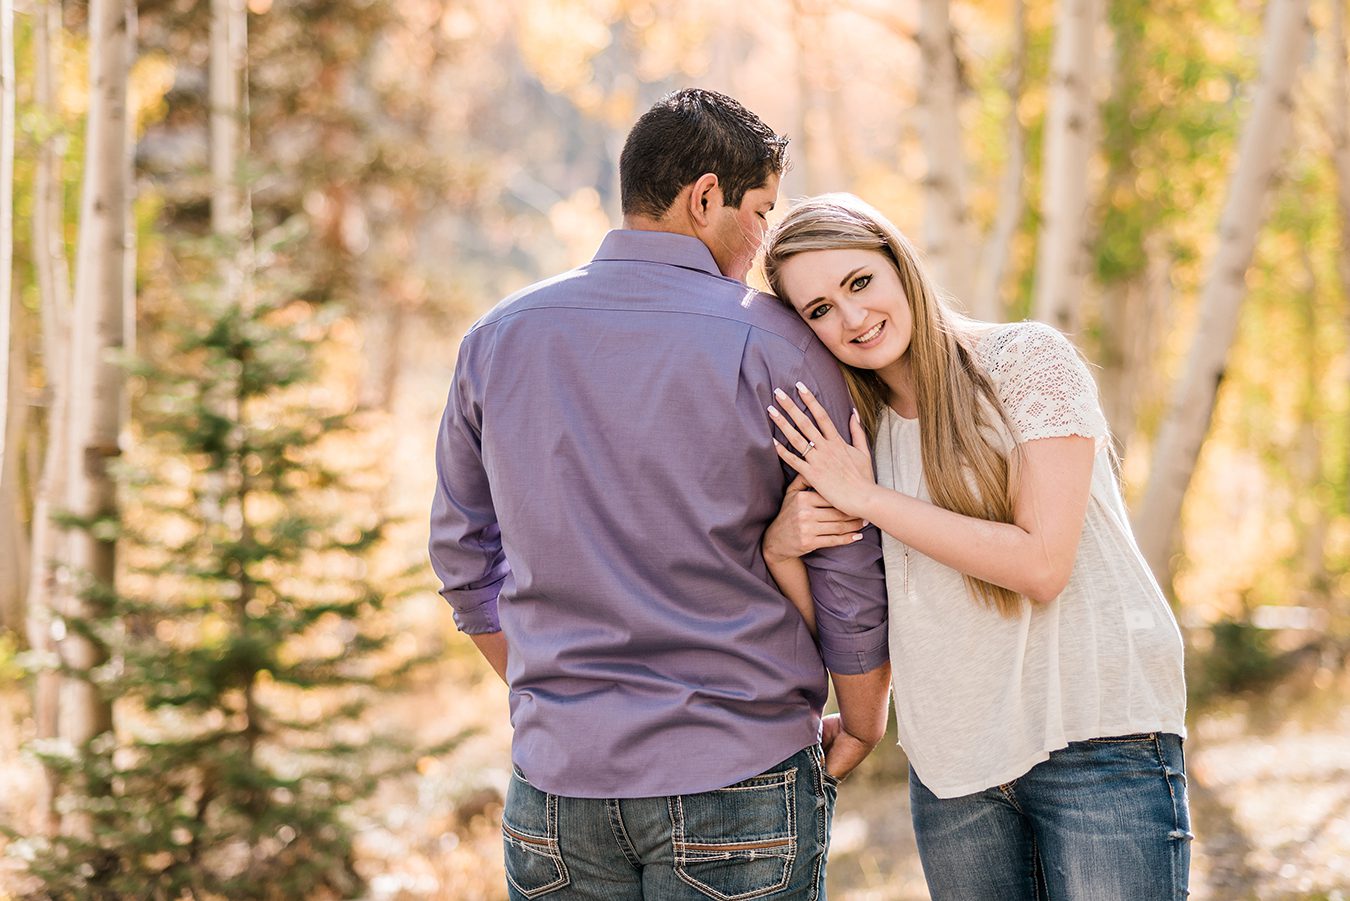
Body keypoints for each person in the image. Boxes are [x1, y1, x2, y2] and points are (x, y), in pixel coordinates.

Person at [429, 93, 892, 901]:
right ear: (705, 197)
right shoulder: (779, 342)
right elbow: (845, 547)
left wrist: (555, 694)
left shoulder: (496, 338)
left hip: (555, 791)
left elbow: (463, 560)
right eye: (760, 213)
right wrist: (861, 717)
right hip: (739, 775)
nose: (761, 244)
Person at [757, 193, 1191, 900]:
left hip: (1097, 740)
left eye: (859, 282)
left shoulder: (1025, 362)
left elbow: (1042, 563)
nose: (853, 318)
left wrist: (867, 499)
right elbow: (859, 615)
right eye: (820, 310)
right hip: (953, 770)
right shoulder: (853, 438)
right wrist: (782, 550)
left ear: (900, 264)